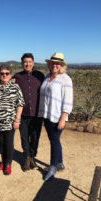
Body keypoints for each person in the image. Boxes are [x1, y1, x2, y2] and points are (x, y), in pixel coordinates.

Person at [38, 52, 73, 181]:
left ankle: (52, 167)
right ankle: (60, 163)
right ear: (50, 64)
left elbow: (68, 100)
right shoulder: (47, 77)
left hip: (57, 116)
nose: (55, 65)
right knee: (55, 140)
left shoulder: (65, 79)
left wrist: (63, 118)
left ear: (62, 65)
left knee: (54, 141)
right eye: (53, 63)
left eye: (58, 63)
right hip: (47, 115)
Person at [13, 53, 44, 171]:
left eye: (30, 61)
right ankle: (26, 157)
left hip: (37, 113)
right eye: (25, 62)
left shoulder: (40, 75)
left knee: (35, 137)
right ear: (22, 64)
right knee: (24, 137)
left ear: (33, 63)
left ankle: (32, 156)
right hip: (23, 113)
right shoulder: (17, 77)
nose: (28, 64)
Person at [0, 65, 24, 175]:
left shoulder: (15, 87)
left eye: (7, 73)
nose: (4, 75)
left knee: (8, 143)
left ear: (10, 74)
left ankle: (8, 164)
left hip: (10, 122)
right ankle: (3, 161)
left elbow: (20, 103)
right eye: (2, 73)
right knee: (1, 143)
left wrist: (17, 120)